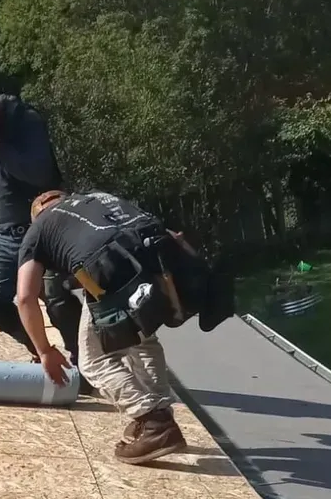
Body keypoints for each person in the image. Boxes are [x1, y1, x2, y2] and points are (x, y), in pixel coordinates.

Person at [16, 189, 207, 464]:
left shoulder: (40, 229)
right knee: (143, 338)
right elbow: (174, 236)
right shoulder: (96, 200)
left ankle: (153, 421)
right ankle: (159, 416)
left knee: (94, 361)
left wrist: (45, 351)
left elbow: (24, 297)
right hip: (161, 256)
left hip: (111, 266)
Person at [0, 70, 81, 363]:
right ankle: (43, 350)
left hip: (43, 231)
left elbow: (41, 175)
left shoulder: (26, 122)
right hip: (1, 233)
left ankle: (82, 357)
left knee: (56, 300)